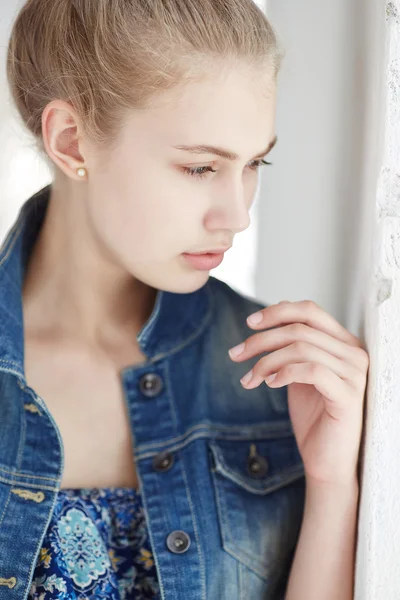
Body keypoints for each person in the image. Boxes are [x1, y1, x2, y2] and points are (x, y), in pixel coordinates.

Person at [0, 0, 368, 598]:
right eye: (200, 168)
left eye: (254, 163)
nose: (238, 215)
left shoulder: (276, 378)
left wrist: (332, 486)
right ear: (71, 141)